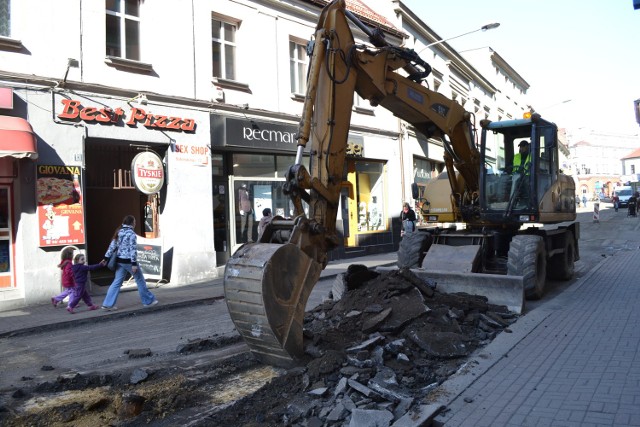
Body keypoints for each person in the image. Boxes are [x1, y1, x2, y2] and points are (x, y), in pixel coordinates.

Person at [101, 215, 158, 311]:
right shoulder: (131, 234)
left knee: (116, 282)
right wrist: (134, 264)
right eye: (134, 222)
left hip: (119, 261)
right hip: (128, 262)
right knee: (140, 280)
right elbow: (133, 250)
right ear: (132, 223)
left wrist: (105, 258)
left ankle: (107, 304)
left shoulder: (119, 232)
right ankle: (148, 301)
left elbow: (112, 246)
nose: (135, 224)